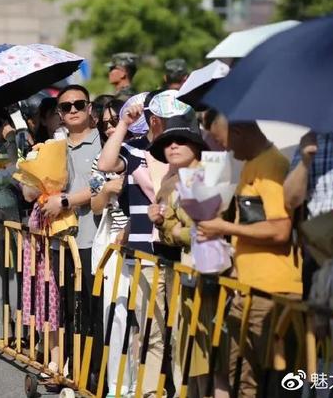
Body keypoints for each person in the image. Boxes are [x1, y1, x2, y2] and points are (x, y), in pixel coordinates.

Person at [97, 89, 192, 396]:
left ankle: (180, 390)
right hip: (144, 254)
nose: (164, 124)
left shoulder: (188, 153)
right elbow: (105, 163)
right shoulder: (136, 150)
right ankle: (150, 391)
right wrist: (123, 124)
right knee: (151, 328)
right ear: (151, 120)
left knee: (180, 329)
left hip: (179, 251)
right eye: (161, 118)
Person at [196, 122, 301, 397]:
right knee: (240, 374)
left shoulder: (272, 166)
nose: (225, 148)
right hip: (246, 290)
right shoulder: (252, 165)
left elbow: (280, 229)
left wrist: (225, 228)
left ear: (239, 131)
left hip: (272, 293)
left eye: (223, 140)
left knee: (274, 378)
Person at [150, 115, 231, 398]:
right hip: (187, 270)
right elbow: (172, 233)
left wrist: (176, 227)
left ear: (196, 144)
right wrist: (164, 224)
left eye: (180, 140)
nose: (172, 146)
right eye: (167, 142)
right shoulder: (171, 182)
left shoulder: (213, 172)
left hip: (216, 272)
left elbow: (208, 228)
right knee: (190, 347)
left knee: (214, 351)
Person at [42, 84, 101, 377]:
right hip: (61, 240)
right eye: (66, 107)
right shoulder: (54, 145)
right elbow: (34, 190)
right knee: (66, 308)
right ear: (59, 114)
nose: (74, 110)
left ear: (90, 108)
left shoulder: (104, 142)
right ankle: (68, 369)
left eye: (79, 104)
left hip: (93, 238)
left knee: (92, 309)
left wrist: (65, 200)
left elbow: (103, 184)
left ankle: (92, 376)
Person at [283, 132, 333, 297]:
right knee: (315, 316)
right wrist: (304, 162)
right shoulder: (309, 142)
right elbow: (290, 200)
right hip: (319, 249)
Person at [89, 98, 131, 396]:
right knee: (116, 315)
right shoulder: (102, 161)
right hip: (114, 246)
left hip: (148, 242)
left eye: (116, 120)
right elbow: (94, 204)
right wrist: (106, 189)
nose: (111, 126)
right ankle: (119, 387)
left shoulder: (147, 152)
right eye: (106, 124)